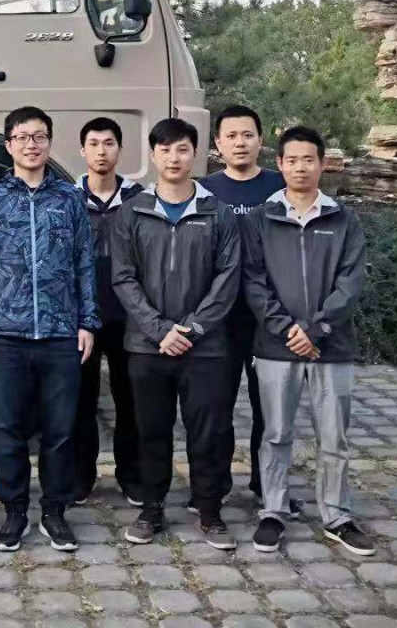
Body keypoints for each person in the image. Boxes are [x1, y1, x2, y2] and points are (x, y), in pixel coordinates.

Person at [243, 126, 375, 557]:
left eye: (308, 160)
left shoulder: (344, 219)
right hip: (275, 347)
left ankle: (337, 516)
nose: (300, 167)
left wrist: (315, 329)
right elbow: (253, 282)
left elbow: (350, 283)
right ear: (279, 165)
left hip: (331, 348)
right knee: (276, 433)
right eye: (292, 160)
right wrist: (287, 329)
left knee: (334, 437)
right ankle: (273, 510)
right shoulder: (261, 218)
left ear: (322, 164)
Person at [110, 118, 241, 551]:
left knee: (208, 432)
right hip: (147, 346)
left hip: (206, 348)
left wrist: (194, 328)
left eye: (182, 149)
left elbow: (228, 277)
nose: (174, 157)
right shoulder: (133, 211)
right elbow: (123, 278)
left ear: (195, 154)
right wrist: (160, 330)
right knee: (151, 431)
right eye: (165, 149)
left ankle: (209, 510)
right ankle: (151, 508)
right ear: (153, 155)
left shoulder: (217, 212)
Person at [0, 106, 97, 553]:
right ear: (8, 145)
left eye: (39, 136)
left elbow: (84, 262)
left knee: (60, 431)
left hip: (61, 333)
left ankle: (55, 511)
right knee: (8, 430)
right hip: (6, 333)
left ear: (49, 142)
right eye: (23, 137)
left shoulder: (69, 198)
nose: (31, 144)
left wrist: (87, 321)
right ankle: (14, 512)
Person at [199, 105, 302, 517]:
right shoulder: (204, 191)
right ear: (217, 143)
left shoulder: (280, 187)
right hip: (219, 322)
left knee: (270, 412)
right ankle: (215, 487)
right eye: (231, 135)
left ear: (261, 140)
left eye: (247, 135)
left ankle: (266, 486)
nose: (239, 143)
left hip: (270, 321)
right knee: (216, 409)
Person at [72, 117, 144, 507]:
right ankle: (80, 477)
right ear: (82, 150)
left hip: (129, 316)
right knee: (80, 401)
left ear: (120, 149)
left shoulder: (139, 199)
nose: (102, 151)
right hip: (82, 317)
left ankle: (131, 476)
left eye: (109, 143)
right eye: (94, 144)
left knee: (129, 400)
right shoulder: (67, 198)